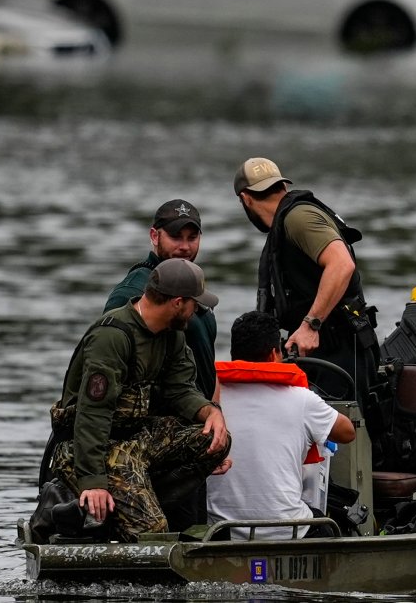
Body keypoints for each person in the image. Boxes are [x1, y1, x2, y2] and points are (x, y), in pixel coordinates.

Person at [45, 259, 231, 542]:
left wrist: (210, 412)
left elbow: (181, 390)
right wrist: (93, 482)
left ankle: (135, 502)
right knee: (152, 533)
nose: (197, 312)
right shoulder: (112, 337)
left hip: (136, 442)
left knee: (216, 440)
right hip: (88, 448)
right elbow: (92, 415)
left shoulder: (172, 335)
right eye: (195, 304)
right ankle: (78, 510)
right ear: (178, 303)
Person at [103, 199, 220, 532]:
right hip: (154, 443)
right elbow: (112, 373)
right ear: (154, 236)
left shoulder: (192, 287)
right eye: (175, 237)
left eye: (192, 237)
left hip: (189, 432)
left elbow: (205, 364)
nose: (184, 246)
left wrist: (214, 417)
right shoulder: (133, 293)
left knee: (193, 531)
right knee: (167, 534)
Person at [232, 156, 381, 409]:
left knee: (340, 440)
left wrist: (311, 325)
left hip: (340, 350)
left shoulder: (298, 218)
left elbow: (342, 265)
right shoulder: (287, 221)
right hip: (321, 351)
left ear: (245, 198)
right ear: (282, 187)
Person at [206, 311, 356, 540]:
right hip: (288, 529)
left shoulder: (209, 401)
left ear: (233, 354)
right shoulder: (302, 399)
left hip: (221, 532)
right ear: (274, 354)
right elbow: (347, 432)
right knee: (335, 520)